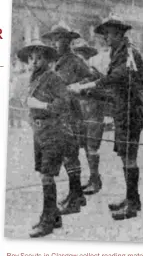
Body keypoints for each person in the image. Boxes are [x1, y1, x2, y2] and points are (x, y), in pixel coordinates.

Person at [69, 14, 143, 220]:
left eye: (109, 35)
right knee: (125, 156)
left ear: (119, 34)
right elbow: (112, 84)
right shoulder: (118, 52)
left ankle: (132, 205)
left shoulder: (128, 53)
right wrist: (88, 88)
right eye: (104, 36)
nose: (106, 39)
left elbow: (118, 77)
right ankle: (132, 199)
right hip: (122, 111)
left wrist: (88, 85)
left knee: (129, 157)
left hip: (130, 112)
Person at [17, 39, 69, 237]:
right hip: (39, 132)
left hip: (53, 132)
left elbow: (63, 104)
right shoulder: (35, 78)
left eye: (39, 57)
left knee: (47, 175)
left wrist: (40, 105)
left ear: (47, 59)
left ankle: (47, 222)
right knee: (43, 173)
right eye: (31, 58)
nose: (34, 61)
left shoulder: (53, 78)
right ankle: (54, 216)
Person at [41, 23, 92, 215]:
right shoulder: (56, 62)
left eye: (60, 39)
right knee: (66, 154)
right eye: (53, 39)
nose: (56, 43)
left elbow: (90, 78)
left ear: (69, 41)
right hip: (58, 113)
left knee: (70, 154)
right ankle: (76, 194)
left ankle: (76, 199)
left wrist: (76, 86)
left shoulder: (75, 60)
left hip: (71, 112)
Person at [72, 38, 105, 195]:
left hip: (94, 114)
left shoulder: (93, 72)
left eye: (83, 55)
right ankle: (93, 179)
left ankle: (96, 181)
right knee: (86, 147)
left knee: (92, 147)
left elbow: (101, 88)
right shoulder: (75, 74)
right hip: (82, 115)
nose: (80, 59)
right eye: (78, 55)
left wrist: (84, 89)